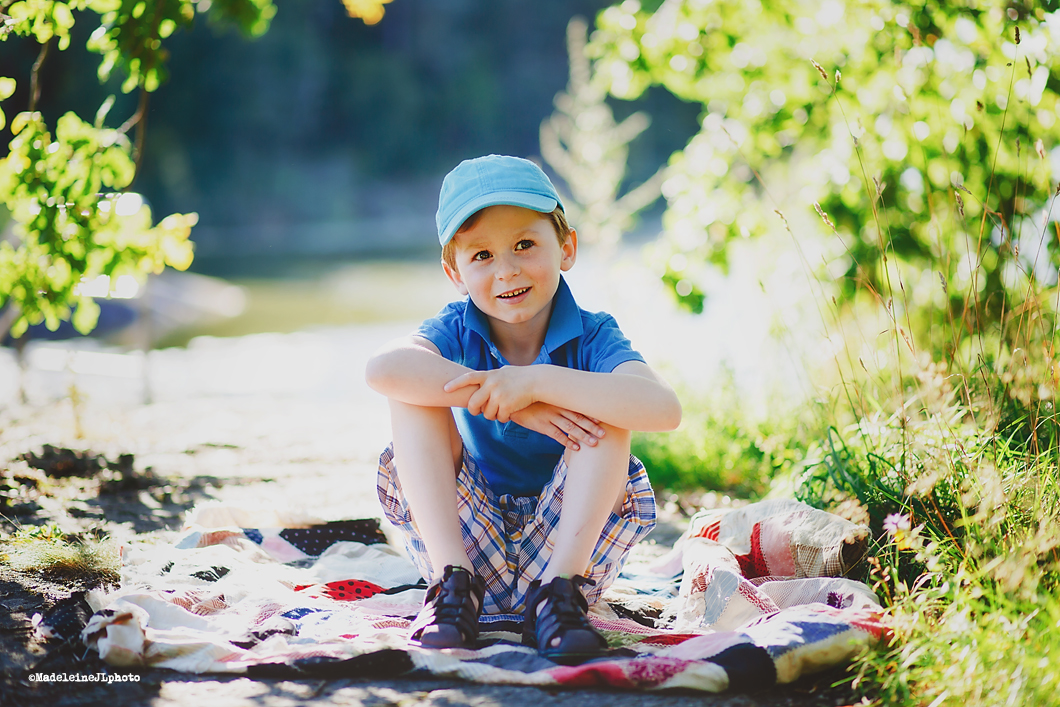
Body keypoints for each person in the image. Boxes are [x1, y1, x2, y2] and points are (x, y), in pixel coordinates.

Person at [364, 154, 681, 665]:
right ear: (455, 271)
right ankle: (451, 589)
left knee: (606, 408)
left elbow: (663, 408)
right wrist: (508, 403)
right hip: (469, 545)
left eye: (525, 245)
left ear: (567, 247)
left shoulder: (594, 333)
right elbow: (381, 369)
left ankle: (557, 597)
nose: (507, 269)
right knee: (413, 391)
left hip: (568, 552)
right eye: (482, 256)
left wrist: (537, 384)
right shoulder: (456, 329)